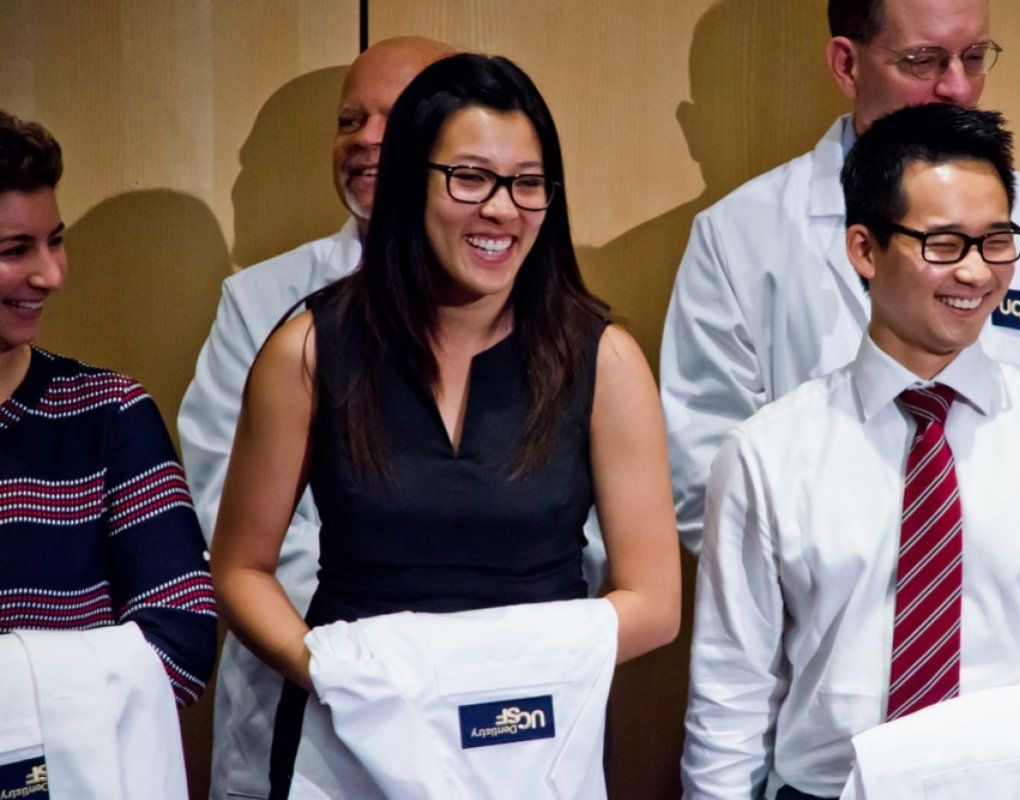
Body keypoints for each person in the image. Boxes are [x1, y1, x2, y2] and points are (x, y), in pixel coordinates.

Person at [680, 104, 1020, 800]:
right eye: (945, 244)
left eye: (997, 241)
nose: (978, 275)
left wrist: (978, 748)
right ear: (864, 249)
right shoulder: (766, 454)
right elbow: (729, 697)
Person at [209, 53, 680, 797]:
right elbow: (238, 570)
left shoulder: (605, 359)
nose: (502, 209)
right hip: (352, 730)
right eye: (470, 178)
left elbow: (655, 603)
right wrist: (347, 676)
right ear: (408, 183)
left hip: (534, 739)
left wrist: (472, 679)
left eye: (528, 183)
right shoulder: (308, 350)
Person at [660, 0, 1020, 556]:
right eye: (923, 61)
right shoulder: (740, 238)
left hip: (1018, 627)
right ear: (847, 65)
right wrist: (858, 581)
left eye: (974, 57)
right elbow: (706, 487)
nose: (957, 87)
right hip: (815, 627)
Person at [176, 36, 451, 798]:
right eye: (348, 119)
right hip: (300, 683)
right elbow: (221, 503)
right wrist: (377, 642)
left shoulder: (529, 310)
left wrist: (452, 635)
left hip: (477, 702)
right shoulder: (261, 304)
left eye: (392, 119)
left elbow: (569, 529)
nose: (363, 138)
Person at [0, 111, 216, 700]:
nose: (51, 275)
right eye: (16, 250)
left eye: (56, 241)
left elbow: (183, 643)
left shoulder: (109, 412)